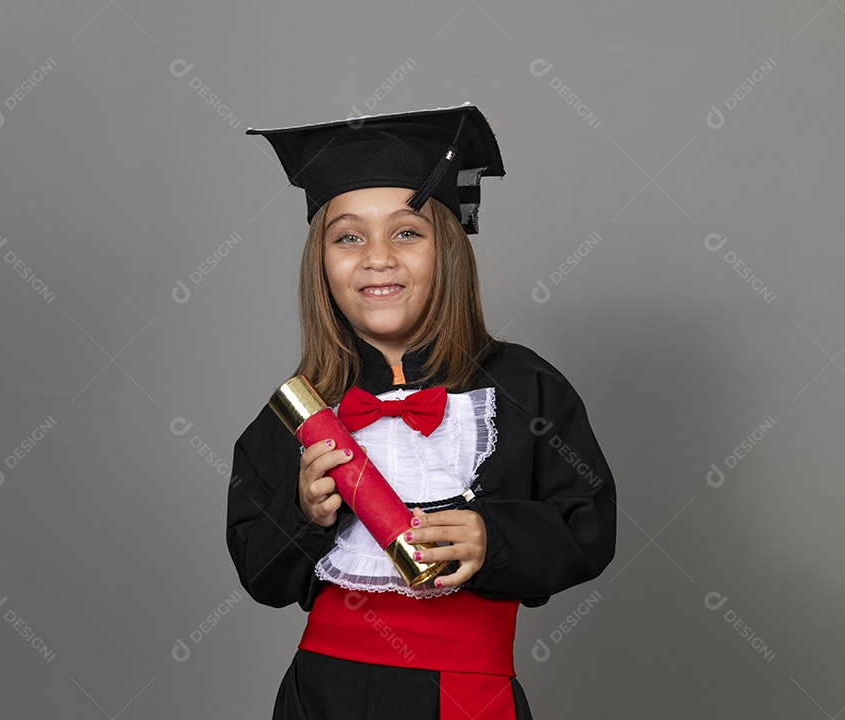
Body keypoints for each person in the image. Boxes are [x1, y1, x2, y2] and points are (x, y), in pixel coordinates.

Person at [226, 104, 617, 720]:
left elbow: (590, 526)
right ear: (321, 263)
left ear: (449, 247)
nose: (377, 257)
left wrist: (495, 536)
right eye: (348, 236)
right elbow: (260, 574)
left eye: (407, 231)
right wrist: (304, 513)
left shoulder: (524, 388)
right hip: (324, 695)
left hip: (466, 691)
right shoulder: (302, 409)